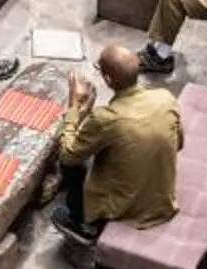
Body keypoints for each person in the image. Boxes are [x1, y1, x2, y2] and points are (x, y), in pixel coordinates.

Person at [49, 42, 182, 250]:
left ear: (108, 80)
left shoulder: (106, 118)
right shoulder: (165, 98)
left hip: (127, 207)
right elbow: (179, 143)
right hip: (161, 197)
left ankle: (84, 223)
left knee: (72, 161)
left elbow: (67, 154)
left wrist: (74, 106)